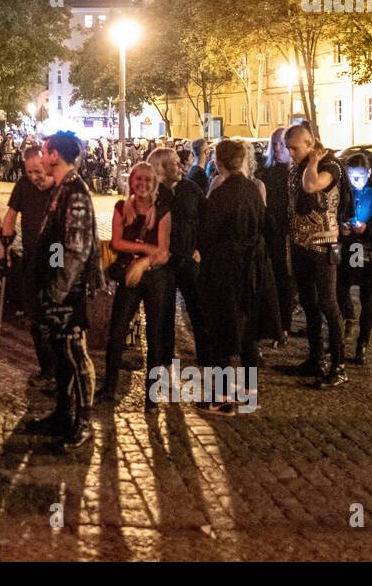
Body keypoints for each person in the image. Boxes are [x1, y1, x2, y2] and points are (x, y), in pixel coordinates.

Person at [24, 132, 103, 450]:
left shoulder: (75, 192)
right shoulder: (62, 188)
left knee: (75, 353)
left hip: (69, 294)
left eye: (44, 152)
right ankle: (63, 412)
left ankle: (84, 423)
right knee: (61, 354)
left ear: (54, 154)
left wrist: (57, 291)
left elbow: (76, 249)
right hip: (58, 291)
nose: (42, 158)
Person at [198, 138, 276, 414]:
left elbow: (206, 234)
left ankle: (220, 397)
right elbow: (269, 227)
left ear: (219, 162)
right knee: (248, 335)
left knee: (222, 333)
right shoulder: (253, 190)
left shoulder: (222, 193)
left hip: (226, 270)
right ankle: (249, 394)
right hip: (252, 271)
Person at [99, 162, 172, 411]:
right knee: (117, 331)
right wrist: (145, 250)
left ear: (154, 184)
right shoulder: (123, 208)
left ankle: (151, 398)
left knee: (155, 336)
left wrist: (143, 263)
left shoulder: (162, 212)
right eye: (137, 180)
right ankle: (109, 387)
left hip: (154, 277)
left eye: (147, 181)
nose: (142, 184)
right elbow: (117, 243)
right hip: (129, 276)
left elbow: (163, 253)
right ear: (131, 181)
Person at [284, 124, 348, 388]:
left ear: (310, 144)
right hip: (301, 245)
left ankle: (339, 366)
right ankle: (315, 359)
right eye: (288, 148)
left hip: (323, 246)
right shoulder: (294, 168)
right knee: (309, 305)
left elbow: (311, 186)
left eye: (295, 148)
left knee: (328, 305)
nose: (290, 153)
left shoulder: (330, 166)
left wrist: (312, 161)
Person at [0, 145, 56, 383]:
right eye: (29, 172)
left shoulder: (61, 187)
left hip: (56, 258)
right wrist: (4, 247)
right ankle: (46, 369)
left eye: (37, 171)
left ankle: (60, 370)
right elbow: (10, 217)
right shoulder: (23, 185)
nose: (33, 176)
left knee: (55, 317)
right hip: (32, 259)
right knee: (35, 316)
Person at [148, 147, 207, 370]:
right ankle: (165, 360)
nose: (180, 166)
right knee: (164, 314)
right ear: (161, 167)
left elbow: (205, 218)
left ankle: (206, 357)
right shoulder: (153, 193)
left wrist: (199, 248)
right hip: (163, 263)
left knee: (198, 310)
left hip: (188, 259)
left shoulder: (191, 189)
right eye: (174, 162)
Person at [337, 154, 372, 365]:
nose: (356, 180)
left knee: (366, 298)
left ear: (369, 173)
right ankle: (340, 338)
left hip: (367, 250)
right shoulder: (345, 191)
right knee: (340, 293)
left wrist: (367, 228)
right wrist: (342, 227)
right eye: (352, 175)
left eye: (360, 175)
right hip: (347, 248)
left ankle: (363, 343)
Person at [256, 127, 294, 347]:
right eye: (275, 144)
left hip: (285, 235)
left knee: (284, 281)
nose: (278, 148)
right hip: (267, 234)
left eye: (282, 144)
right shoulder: (266, 172)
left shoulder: (294, 174)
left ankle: (284, 327)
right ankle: (268, 325)